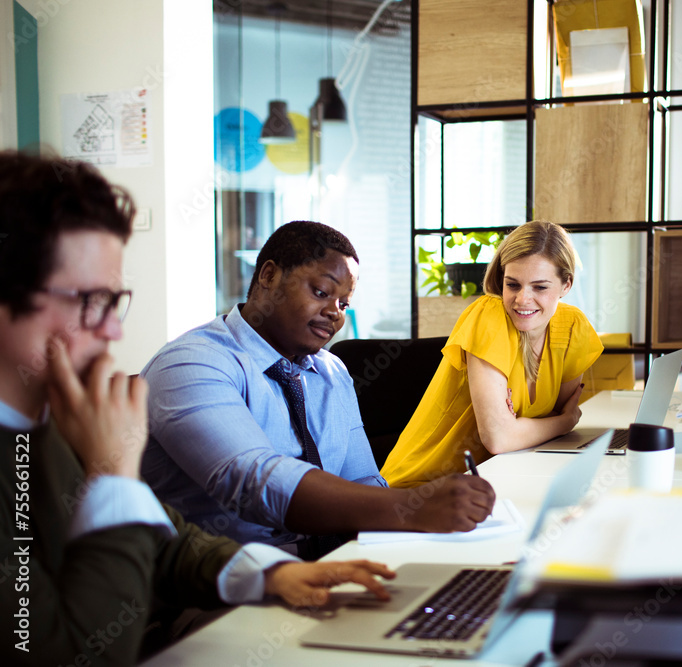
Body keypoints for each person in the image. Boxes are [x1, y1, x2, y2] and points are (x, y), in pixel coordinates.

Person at [0, 151, 395, 666]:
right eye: (88, 300)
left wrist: (274, 574)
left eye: (114, 301)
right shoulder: (182, 368)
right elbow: (67, 654)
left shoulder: (46, 426)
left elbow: (166, 540)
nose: (114, 330)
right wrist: (114, 477)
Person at [140, 221, 495, 556]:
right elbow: (255, 482)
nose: (335, 313)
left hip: (335, 565)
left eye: (344, 304)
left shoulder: (330, 370)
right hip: (229, 585)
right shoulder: (192, 363)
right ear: (268, 275)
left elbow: (363, 480)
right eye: (322, 292)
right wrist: (414, 508)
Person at [381, 221, 604, 488]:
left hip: (498, 476)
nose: (523, 299)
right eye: (513, 285)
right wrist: (565, 422)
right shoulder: (490, 316)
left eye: (540, 287)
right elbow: (499, 438)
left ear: (566, 285)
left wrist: (525, 425)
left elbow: (548, 419)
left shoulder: (572, 326)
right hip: (423, 487)